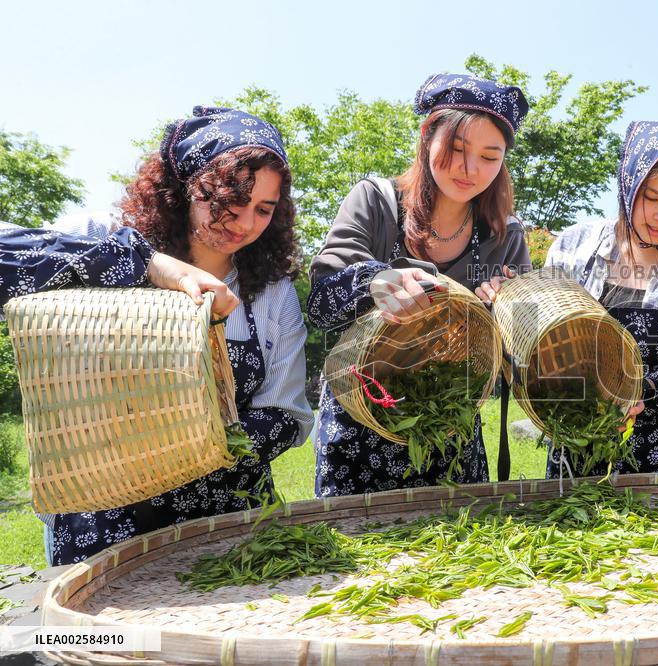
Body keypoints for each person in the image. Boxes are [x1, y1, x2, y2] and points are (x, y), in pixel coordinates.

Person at [2, 106, 314, 564]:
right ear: (186, 187)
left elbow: (287, 412)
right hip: (104, 518)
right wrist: (145, 264)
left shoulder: (268, 293)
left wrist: (207, 451)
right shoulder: (105, 239)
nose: (244, 223)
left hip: (226, 520)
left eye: (263, 209)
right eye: (228, 198)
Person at [307, 73, 532, 496]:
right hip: (360, 428)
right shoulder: (375, 201)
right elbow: (320, 303)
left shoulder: (505, 235)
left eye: (490, 156)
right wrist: (375, 280)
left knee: (457, 553)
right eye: (458, 149)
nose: (470, 169)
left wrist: (508, 311)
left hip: (450, 428)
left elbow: (516, 358)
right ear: (428, 136)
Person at [543, 120, 658, 476]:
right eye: (651, 197)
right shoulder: (573, 247)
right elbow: (542, 347)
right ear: (628, 184)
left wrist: (643, 390)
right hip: (580, 450)